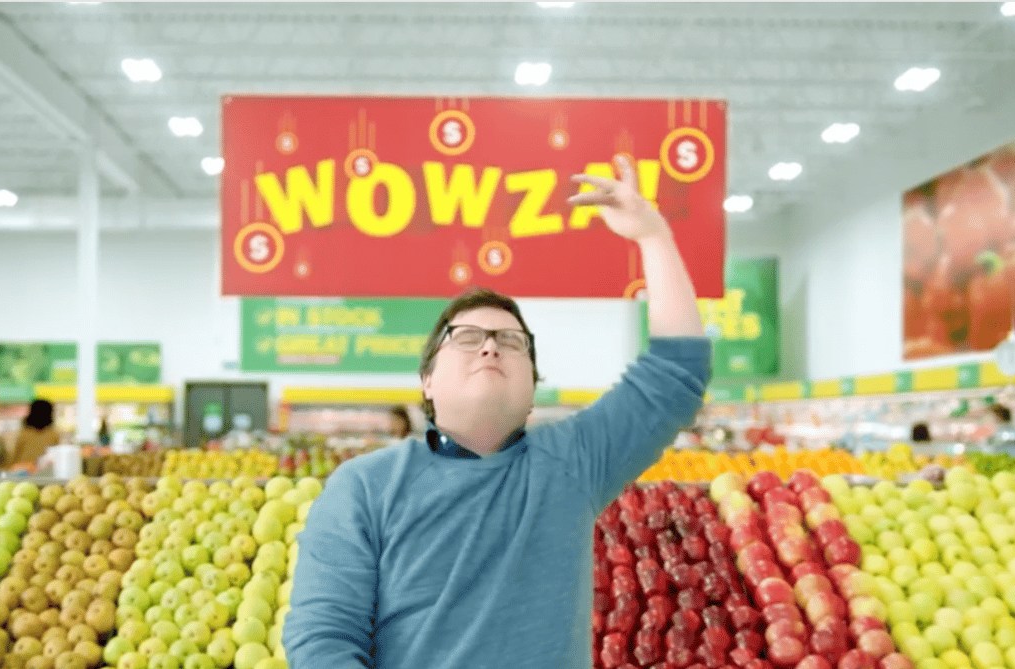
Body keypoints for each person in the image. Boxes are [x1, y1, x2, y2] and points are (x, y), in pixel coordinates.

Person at [285, 155, 711, 669]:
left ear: (532, 387)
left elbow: (676, 375)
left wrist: (653, 237)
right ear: (427, 380)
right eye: (467, 338)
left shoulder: (572, 462)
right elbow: (323, 640)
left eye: (512, 342)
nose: (490, 349)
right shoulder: (364, 486)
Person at [0, 399, 60, 470]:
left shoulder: (24, 433)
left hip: (21, 469)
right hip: (42, 470)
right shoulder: (53, 434)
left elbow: (14, 455)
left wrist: (8, 468)